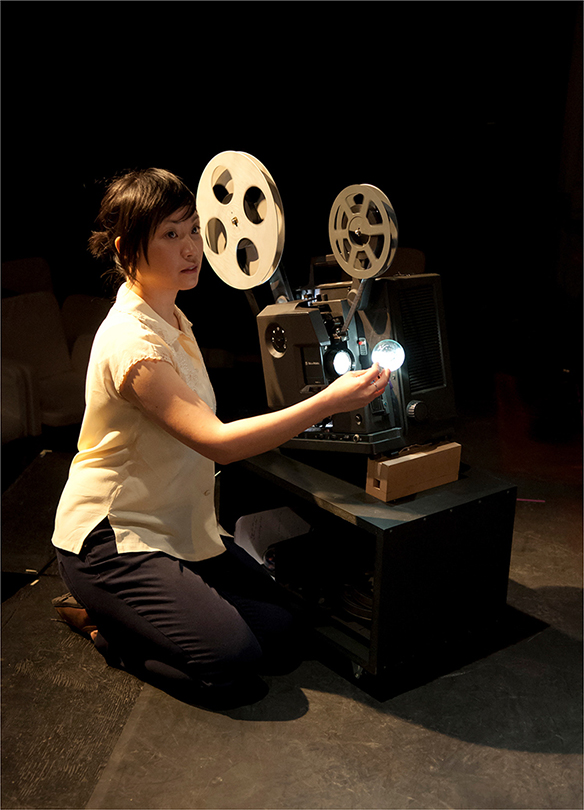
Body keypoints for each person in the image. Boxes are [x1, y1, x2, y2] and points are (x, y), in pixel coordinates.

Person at [51, 167, 391, 709]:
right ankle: (110, 630)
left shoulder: (174, 319)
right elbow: (219, 443)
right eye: (170, 234)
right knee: (233, 665)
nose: (192, 248)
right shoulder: (132, 344)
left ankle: (148, 614)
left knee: (287, 635)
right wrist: (328, 401)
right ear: (126, 247)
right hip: (115, 539)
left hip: (177, 529)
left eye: (192, 230)